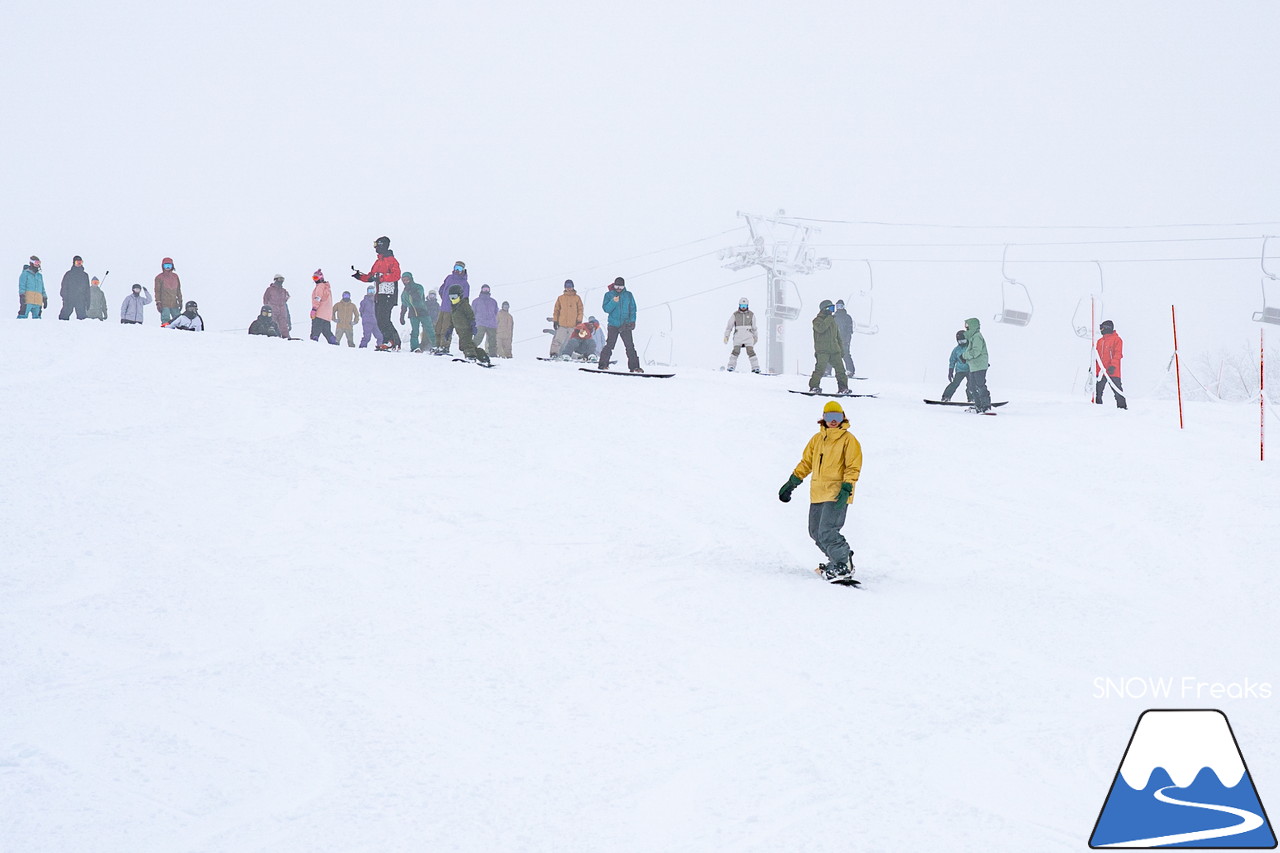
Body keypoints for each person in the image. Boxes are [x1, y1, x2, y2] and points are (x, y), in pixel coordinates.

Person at [778, 400, 863, 583]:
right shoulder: (817, 440)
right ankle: (837, 560)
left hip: (837, 492)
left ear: (843, 418)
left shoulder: (849, 440)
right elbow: (806, 463)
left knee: (827, 530)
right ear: (823, 418)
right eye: (830, 417)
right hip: (817, 492)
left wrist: (847, 487)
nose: (833, 421)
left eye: (837, 417)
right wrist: (792, 482)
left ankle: (843, 563)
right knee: (815, 531)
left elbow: (853, 466)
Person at [353, 236, 401, 350]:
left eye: (376, 244)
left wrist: (382, 277)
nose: (375, 248)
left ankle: (391, 341)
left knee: (384, 318)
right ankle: (391, 341)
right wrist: (360, 276)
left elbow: (396, 275)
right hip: (379, 294)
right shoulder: (378, 261)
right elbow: (371, 277)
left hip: (389, 293)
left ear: (382, 245)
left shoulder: (392, 260)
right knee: (379, 319)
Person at [598, 277, 641, 373]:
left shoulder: (628, 295)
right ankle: (603, 365)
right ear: (614, 285)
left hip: (625, 325)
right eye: (617, 286)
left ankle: (635, 367)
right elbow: (606, 309)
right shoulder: (609, 295)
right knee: (609, 345)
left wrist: (632, 321)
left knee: (630, 346)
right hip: (613, 324)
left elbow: (633, 309)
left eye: (621, 286)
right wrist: (613, 302)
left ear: (624, 286)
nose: (618, 288)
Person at [808, 300, 848, 394]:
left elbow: (838, 337)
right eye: (830, 308)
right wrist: (829, 319)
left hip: (834, 350)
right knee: (820, 369)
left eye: (832, 308)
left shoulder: (832, 321)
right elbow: (821, 328)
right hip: (823, 351)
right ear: (824, 309)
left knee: (841, 370)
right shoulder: (817, 320)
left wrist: (841, 349)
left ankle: (843, 388)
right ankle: (814, 387)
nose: (832, 311)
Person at [447, 283, 488, 363]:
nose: (453, 299)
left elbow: (471, 315)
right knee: (469, 345)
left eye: (454, 297)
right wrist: (449, 330)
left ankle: (471, 356)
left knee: (466, 345)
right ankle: (482, 356)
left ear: (460, 295)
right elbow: (452, 320)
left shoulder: (464, 305)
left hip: (466, 329)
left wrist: (473, 325)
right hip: (459, 330)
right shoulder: (453, 307)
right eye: (451, 297)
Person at [434, 261, 468, 353]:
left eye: (460, 269)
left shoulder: (464, 283)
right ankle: (437, 346)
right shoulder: (449, 278)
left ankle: (444, 347)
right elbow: (442, 289)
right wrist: (444, 298)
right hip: (443, 308)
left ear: (463, 270)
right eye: (456, 268)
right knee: (438, 328)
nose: (457, 270)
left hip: (452, 310)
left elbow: (465, 297)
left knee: (446, 328)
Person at [961, 317, 992, 413]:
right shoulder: (972, 337)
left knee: (980, 385)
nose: (966, 329)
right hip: (974, 366)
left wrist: (965, 356)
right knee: (972, 386)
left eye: (968, 327)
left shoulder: (977, 336)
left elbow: (976, 351)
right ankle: (978, 405)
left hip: (979, 366)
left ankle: (986, 406)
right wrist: (965, 359)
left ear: (973, 326)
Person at [723, 296, 760, 373]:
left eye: (745, 306)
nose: (743, 308)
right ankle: (731, 366)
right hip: (738, 336)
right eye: (742, 306)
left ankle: (755, 367)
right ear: (739, 306)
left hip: (748, 336)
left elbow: (754, 328)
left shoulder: (751, 315)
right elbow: (729, 327)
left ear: (747, 306)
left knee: (750, 351)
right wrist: (726, 336)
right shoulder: (735, 315)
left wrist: (755, 336)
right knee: (736, 351)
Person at [1095, 319, 1127, 409]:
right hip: (1101, 371)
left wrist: (1113, 366)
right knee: (1098, 391)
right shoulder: (1100, 341)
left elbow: (1118, 354)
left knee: (1117, 391)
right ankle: (1097, 408)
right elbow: (1097, 356)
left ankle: (1122, 409)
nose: (1100, 330)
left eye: (1101, 328)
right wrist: (1093, 367)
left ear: (1107, 328)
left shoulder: (1117, 340)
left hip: (1112, 371)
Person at [398, 272, 431, 352]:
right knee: (415, 330)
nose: (405, 281)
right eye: (404, 280)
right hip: (412, 313)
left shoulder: (418, 287)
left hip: (422, 311)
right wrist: (402, 315)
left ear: (411, 279)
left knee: (428, 329)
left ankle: (431, 345)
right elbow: (404, 304)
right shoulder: (404, 292)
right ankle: (415, 347)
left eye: (407, 279)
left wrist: (411, 292)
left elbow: (418, 297)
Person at [549, 280, 582, 357]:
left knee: (573, 341)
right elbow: (556, 310)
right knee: (558, 340)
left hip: (573, 324)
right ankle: (554, 353)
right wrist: (555, 321)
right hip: (562, 324)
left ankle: (573, 355)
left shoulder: (577, 298)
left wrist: (579, 321)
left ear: (573, 287)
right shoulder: (561, 298)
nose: (569, 288)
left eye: (570, 286)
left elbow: (580, 310)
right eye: (567, 286)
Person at [939, 330, 972, 403]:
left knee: (971, 385)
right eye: (960, 342)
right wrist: (950, 371)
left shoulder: (971, 347)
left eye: (963, 341)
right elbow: (952, 360)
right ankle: (946, 397)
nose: (962, 343)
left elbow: (977, 356)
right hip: (960, 370)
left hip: (971, 370)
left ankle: (972, 398)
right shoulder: (956, 350)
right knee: (954, 384)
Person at [58, 255, 91, 320]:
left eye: (80, 262)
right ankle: (61, 329)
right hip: (69, 298)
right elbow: (64, 287)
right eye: (77, 262)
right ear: (74, 262)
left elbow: (87, 289)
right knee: (64, 316)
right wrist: (65, 298)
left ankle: (82, 330)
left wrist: (88, 301)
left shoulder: (85, 275)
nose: (79, 263)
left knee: (82, 318)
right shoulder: (68, 274)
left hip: (81, 299)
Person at [309, 269, 337, 344]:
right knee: (327, 331)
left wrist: (314, 309)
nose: (315, 280)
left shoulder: (320, 286)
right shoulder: (327, 288)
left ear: (321, 278)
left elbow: (317, 298)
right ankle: (333, 341)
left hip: (319, 314)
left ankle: (313, 343)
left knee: (315, 331)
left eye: (316, 278)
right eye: (313, 278)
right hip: (327, 316)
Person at [154, 257, 183, 325]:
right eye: (165, 265)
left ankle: (179, 331)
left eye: (169, 265)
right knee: (165, 319)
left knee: (178, 318)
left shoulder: (175, 276)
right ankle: (165, 331)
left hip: (174, 303)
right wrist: (158, 302)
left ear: (172, 266)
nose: (167, 267)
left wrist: (180, 301)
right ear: (162, 266)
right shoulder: (159, 277)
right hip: (164, 303)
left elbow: (178, 290)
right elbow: (157, 291)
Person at [473, 284, 499, 358]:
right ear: (481, 290)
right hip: (480, 323)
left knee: (492, 340)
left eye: (487, 289)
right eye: (484, 289)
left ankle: (493, 354)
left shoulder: (493, 301)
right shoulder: (476, 301)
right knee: (478, 338)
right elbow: (473, 312)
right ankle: (471, 350)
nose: (486, 291)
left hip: (491, 324)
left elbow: (495, 311)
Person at [263, 275, 292, 339]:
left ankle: (286, 337)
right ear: (276, 280)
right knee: (272, 323)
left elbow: (286, 298)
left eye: (282, 279)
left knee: (283, 325)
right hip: (273, 310)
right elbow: (265, 299)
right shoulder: (270, 289)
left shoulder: (283, 291)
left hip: (282, 310)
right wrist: (268, 308)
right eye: (280, 279)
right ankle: (273, 337)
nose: (281, 281)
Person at [833, 299, 856, 377]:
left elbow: (849, 331)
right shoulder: (833, 317)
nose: (839, 308)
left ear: (843, 307)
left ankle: (850, 371)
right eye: (838, 306)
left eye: (841, 306)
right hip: (834, 339)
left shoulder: (847, 317)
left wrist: (847, 340)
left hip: (844, 340)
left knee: (845, 354)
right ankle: (827, 370)